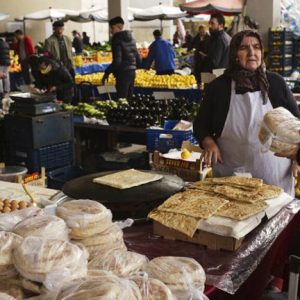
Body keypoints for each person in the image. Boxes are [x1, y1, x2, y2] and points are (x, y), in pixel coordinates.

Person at [193, 30, 300, 196]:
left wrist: (297, 158)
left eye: (256, 47)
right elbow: (201, 125)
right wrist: (209, 143)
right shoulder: (218, 87)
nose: (252, 52)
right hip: (232, 177)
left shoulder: (276, 83)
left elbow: (296, 123)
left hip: (275, 176)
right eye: (244, 48)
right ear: (235, 54)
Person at [102, 16, 141, 100]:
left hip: (122, 73)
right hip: (132, 73)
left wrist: (107, 73)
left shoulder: (116, 39)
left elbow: (117, 61)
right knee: (129, 100)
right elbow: (138, 59)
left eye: (112, 28)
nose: (111, 31)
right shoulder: (132, 39)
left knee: (122, 100)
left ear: (119, 27)